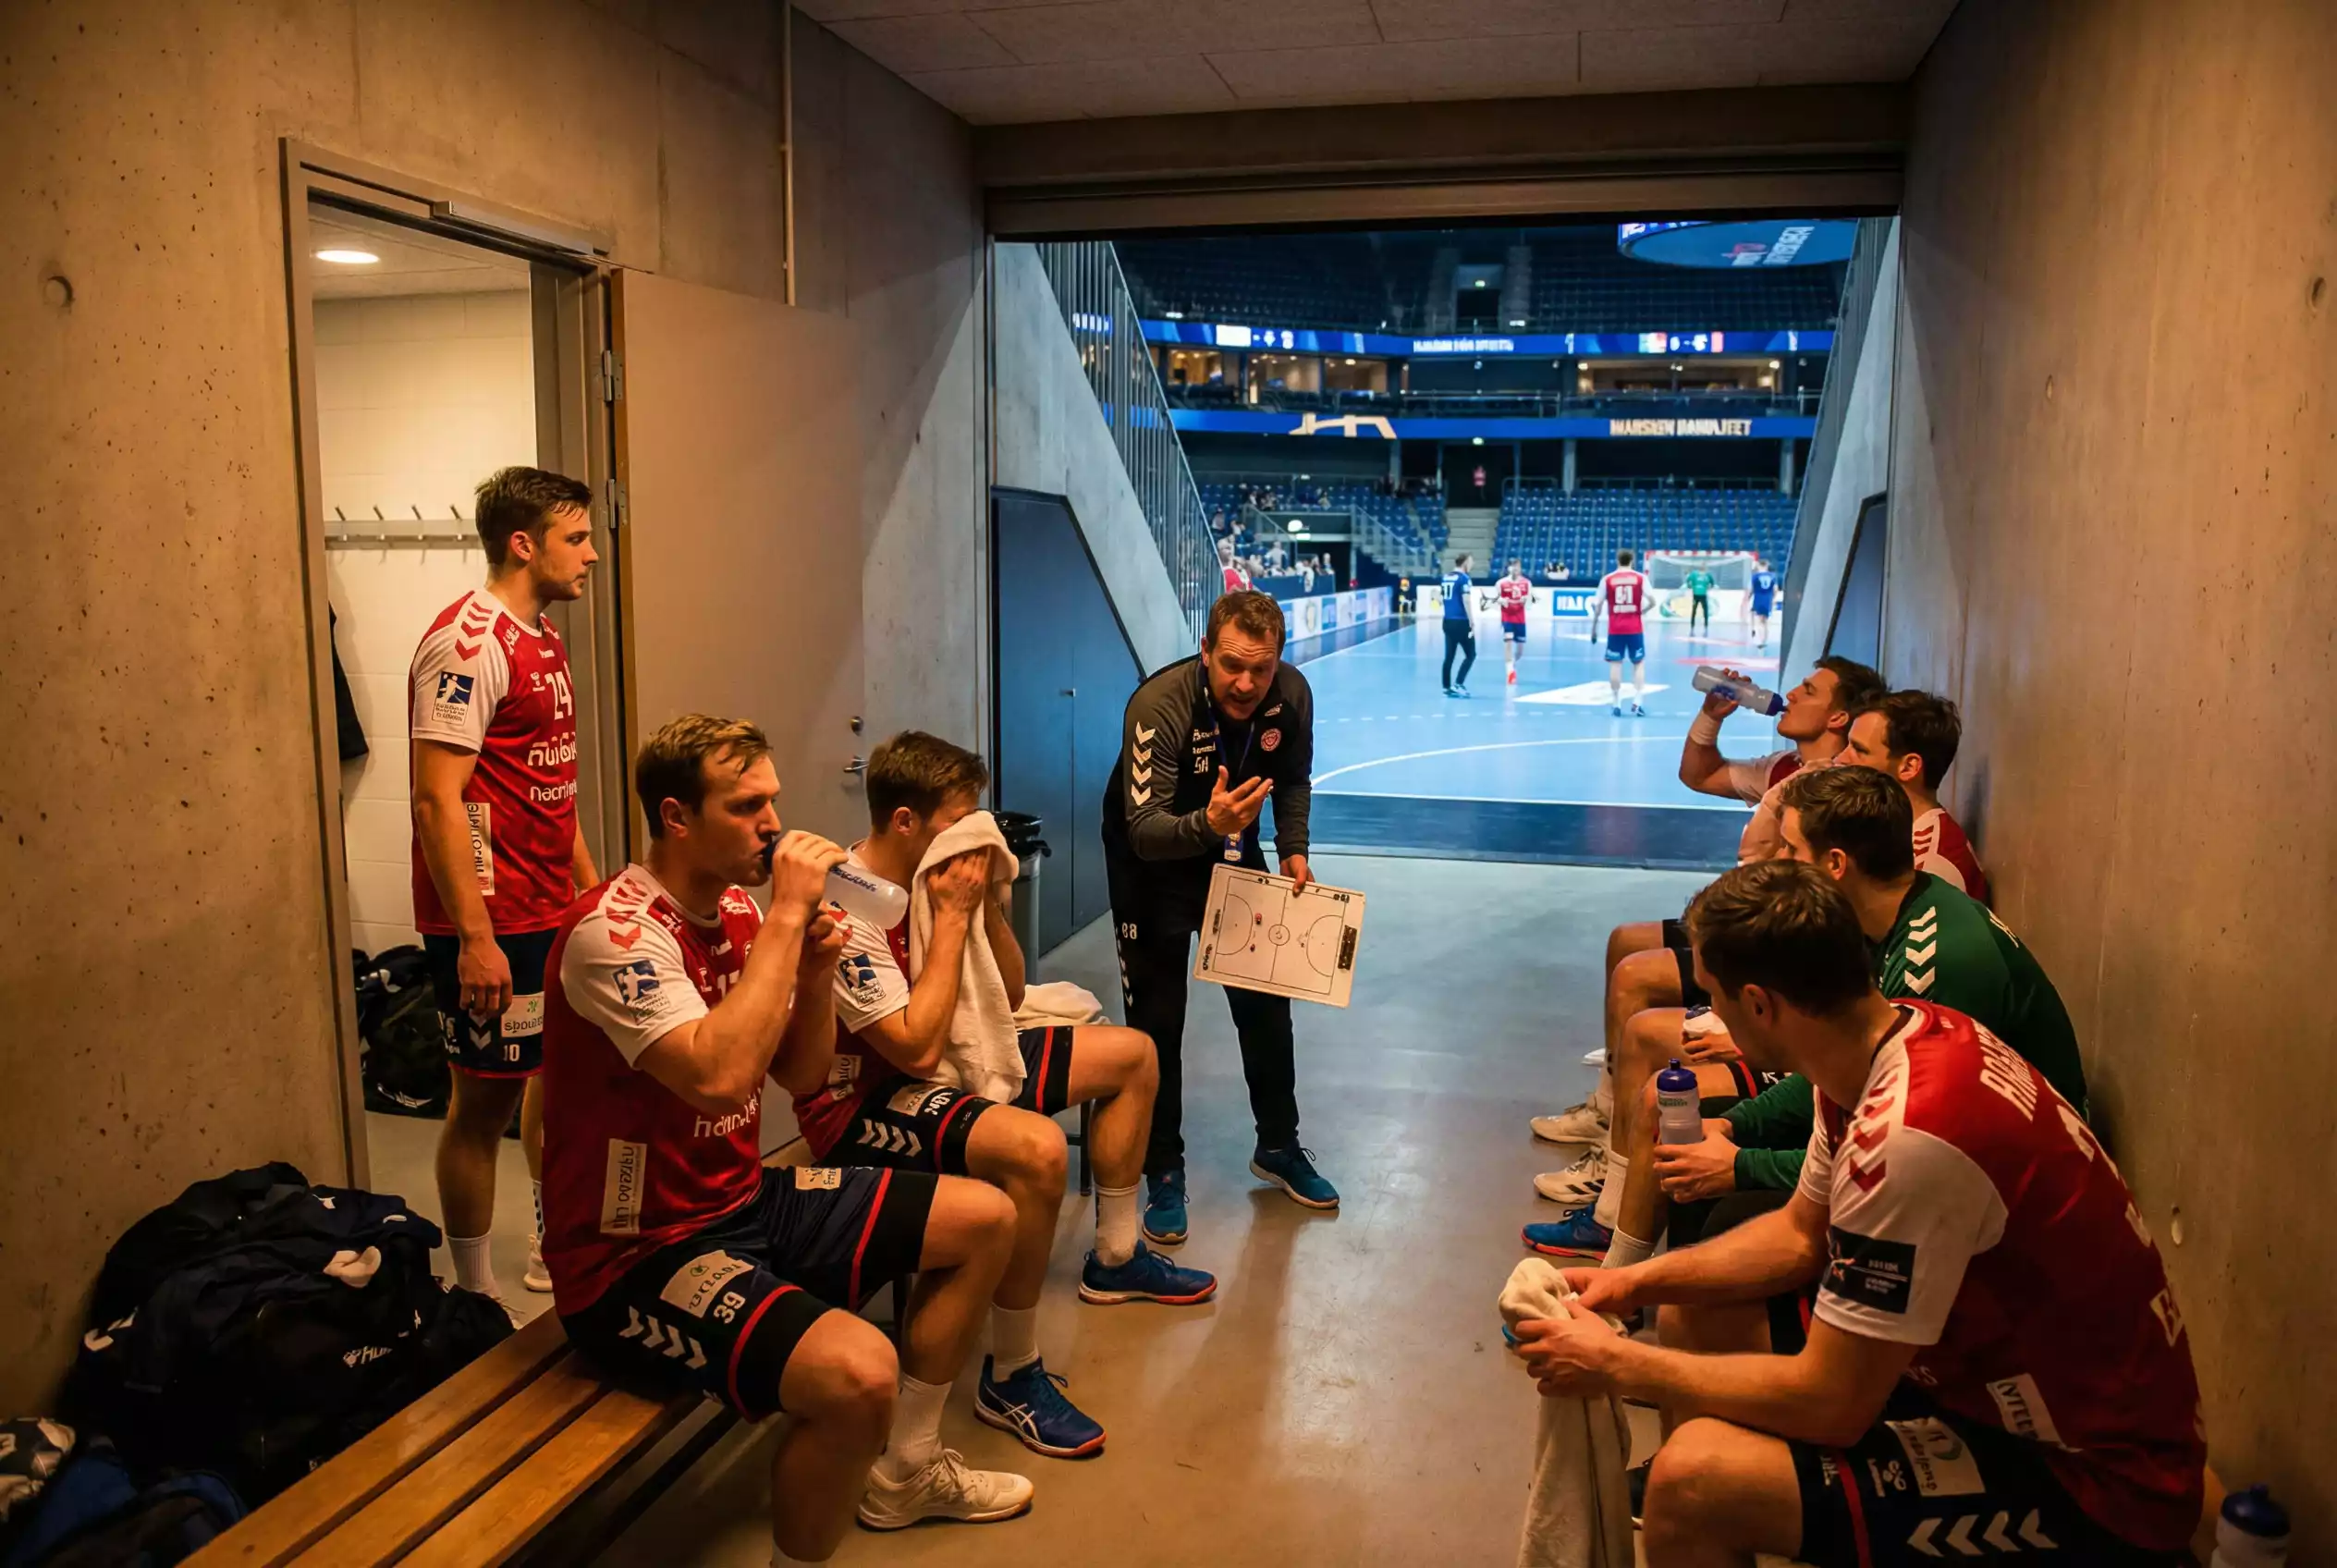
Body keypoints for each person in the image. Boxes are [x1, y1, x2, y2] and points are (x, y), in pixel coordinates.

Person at [1513, 861, 2204, 1568]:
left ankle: (1721, 1517)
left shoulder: (1908, 1140)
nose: (1708, 1018)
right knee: (1697, 1312)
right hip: (2001, 1376)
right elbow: (1797, 1235)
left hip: (2099, 1480)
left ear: (1759, 1005)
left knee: (1692, 1483)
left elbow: (1831, 1404)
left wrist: (1617, 1365)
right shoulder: (1888, 1040)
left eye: (1714, 998)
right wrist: (1634, 1285)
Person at [541, 716, 1034, 1554]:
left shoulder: (735, 908)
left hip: (739, 1200)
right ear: (676, 817)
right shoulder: (613, 936)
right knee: (858, 1375)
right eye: (745, 806)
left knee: (987, 1219)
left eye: (772, 800)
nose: (773, 824)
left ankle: (909, 1468)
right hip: (635, 1257)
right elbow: (717, 1078)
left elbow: (801, 1078)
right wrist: (787, 922)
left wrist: (810, 973)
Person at [801, 731, 1216, 1460]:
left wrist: (987, 903)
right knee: (1037, 1149)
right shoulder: (850, 905)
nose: (970, 834)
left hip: (951, 1062)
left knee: (1132, 1055)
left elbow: (1013, 991)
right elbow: (917, 1048)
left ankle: (1115, 1260)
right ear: (905, 822)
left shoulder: (942, 886)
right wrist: (954, 916)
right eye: (955, 821)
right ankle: (1013, 1372)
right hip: (872, 1100)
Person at [1530, 766, 2086, 1270]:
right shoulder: (1883, 918)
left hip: (2005, 1208)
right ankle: (1625, 1273)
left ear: (1836, 865)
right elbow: (1836, 1081)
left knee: (1727, 1215)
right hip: (1935, 1152)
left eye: (1791, 849)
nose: (1779, 862)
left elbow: (1897, 1146)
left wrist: (1744, 1165)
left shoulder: (1935, 965)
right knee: (1691, 1126)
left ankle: (1639, 1287)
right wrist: (1739, 1128)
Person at [1530, 656, 1885, 1212]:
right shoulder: (1785, 769)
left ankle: (1614, 1181)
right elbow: (1698, 773)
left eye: (1808, 689)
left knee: (1639, 992)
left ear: (1840, 718)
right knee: (1626, 942)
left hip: (1765, 944)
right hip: (1748, 927)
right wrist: (1710, 717)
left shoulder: (1835, 801)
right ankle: (1607, 1108)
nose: (1789, 693)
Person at [408, 466, 601, 1306]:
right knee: (481, 1106)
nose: (592, 554)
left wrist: (593, 895)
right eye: (576, 539)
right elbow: (433, 797)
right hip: (492, 921)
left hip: (552, 907)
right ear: (523, 544)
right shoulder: (467, 641)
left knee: (559, 1085)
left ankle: (551, 1247)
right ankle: (474, 1296)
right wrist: (476, 939)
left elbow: (549, 784)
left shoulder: (545, 638)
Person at [1105, 591, 1336, 1247]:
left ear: (1278, 662)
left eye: (1260, 669)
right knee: (1158, 1022)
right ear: (1206, 651)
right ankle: (1164, 1170)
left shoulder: (1291, 695)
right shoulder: (1160, 705)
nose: (1245, 682)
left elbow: (1292, 780)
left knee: (1266, 1002)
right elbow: (1146, 830)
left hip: (1230, 846)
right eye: (1232, 664)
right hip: (1150, 861)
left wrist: (1293, 850)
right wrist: (1208, 823)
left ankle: (1279, 1145)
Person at [1841, 690, 1990, 902]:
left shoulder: (1931, 864)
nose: (1839, 759)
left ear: (1909, 767)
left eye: (1859, 750)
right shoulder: (1886, 833)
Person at [1586, 548, 1649, 717]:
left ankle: (1616, 703)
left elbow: (1597, 605)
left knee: (1615, 664)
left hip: (1615, 629)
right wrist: (1642, 611)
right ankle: (1637, 701)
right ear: (1632, 561)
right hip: (1635, 628)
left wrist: (1594, 628)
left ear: (1617, 560)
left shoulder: (1607, 579)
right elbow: (1653, 600)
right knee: (1638, 663)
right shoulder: (1640, 578)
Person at [1440, 552, 1477, 698]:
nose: (1472, 565)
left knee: (1449, 655)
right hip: (1461, 621)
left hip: (1447, 621)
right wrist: (1471, 620)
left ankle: (1446, 686)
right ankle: (1459, 684)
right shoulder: (1464, 579)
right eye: (1471, 562)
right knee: (1471, 654)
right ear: (1465, 563)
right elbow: (1466, 600)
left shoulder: (1445, 577)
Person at [1497, 558, 1532, 685]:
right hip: (1507, 618)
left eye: (1517, 566)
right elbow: (1497, 598)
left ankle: (1512, 663)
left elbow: (1528, 601)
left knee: (1520, 651)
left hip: (1520, 619)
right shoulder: (1501, 583)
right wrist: (1501, 601)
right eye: (1512, 567)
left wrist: (1525, 600)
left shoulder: (1526, 583)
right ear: (1508, 569)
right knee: (1508, 643)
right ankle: (1509, 671)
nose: (1515, 569)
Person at [1747, 556, 1780, 649]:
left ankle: (1760, 640)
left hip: (1758, 598)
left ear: (1759, 565)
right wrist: (1772, 598)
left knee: (1759, 620)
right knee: (1765, 621)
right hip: (1768, 599)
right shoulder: (1772, 576)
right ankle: (1765, 639)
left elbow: (1752, 589)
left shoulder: (1755, 576)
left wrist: (1748, 598)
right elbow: (1775, 589)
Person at [1683, 561, 1715, 635]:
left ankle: (1706, 624)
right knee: (1694, 610)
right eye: (1702, 566)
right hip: (1696, 595)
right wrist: (1689, 585)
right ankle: (1692, 624)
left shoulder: (1708, 575)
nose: (1703, 567)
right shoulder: (1694, 574)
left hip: (1703, 595)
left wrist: (1710, 586)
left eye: (1704, 566)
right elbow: (1688, 580)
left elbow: (1712, 582)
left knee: (1705, 610)